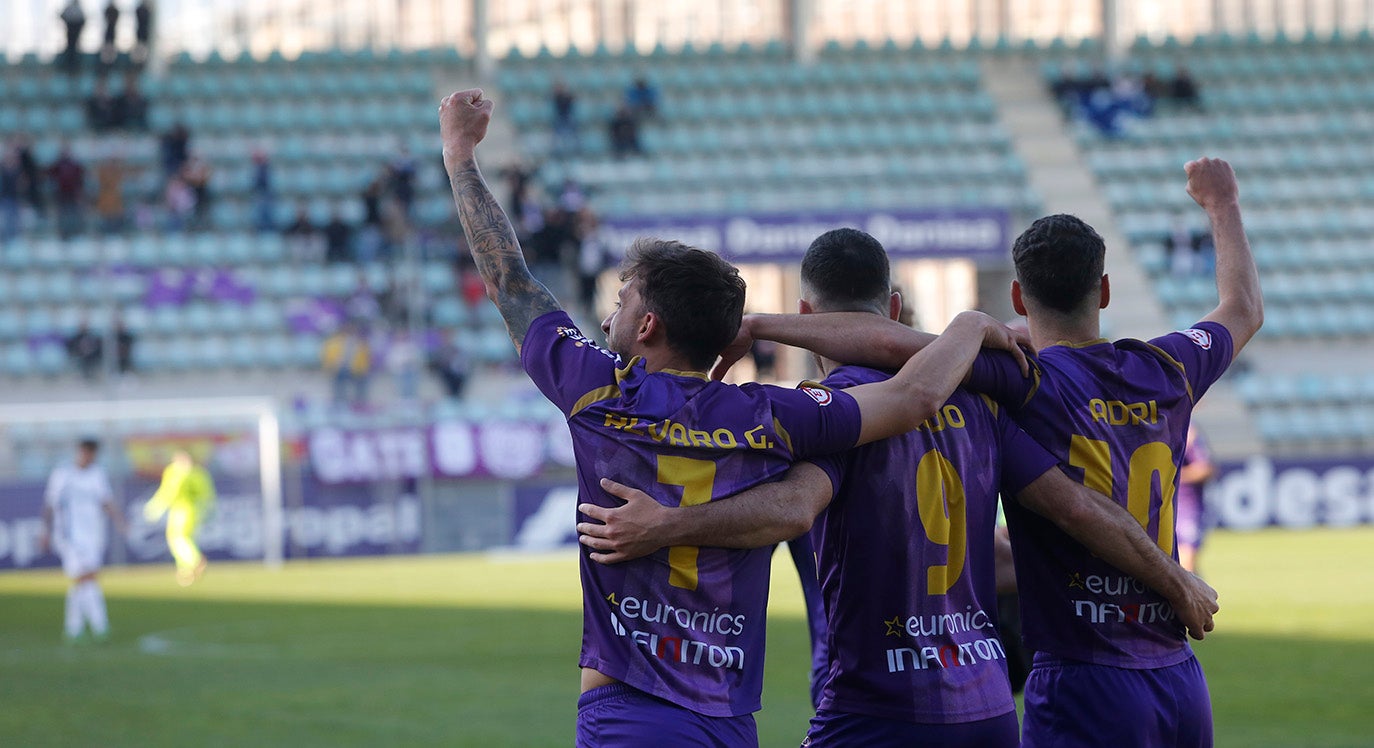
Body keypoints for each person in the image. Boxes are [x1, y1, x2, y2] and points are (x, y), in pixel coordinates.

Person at [441, 88, 1039, 746]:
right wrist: (970, 330)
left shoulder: (596, 391)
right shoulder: (772, 415)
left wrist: (460, 155)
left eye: (621, 297)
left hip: (629, 713)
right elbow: (913, 398)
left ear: (646, 325)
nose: (607, 313)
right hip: (729, 720)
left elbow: (510, 280)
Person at [579, 229, 1220, 746]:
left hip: (873, 703)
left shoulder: (832, 416)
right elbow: (1075, 507)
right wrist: (1170, 579)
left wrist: (667, 523)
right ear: (893, 306)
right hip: (988, 702)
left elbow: (795, 506)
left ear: (807, 313)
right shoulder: (981, 403)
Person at [705, 158, 1261, 747]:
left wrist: (762, 325)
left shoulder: (1024, 380)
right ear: (1103, 289)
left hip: (1079, 674)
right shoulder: (1168, 366)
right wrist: (1222, 204)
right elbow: (1243, 309)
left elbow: (893, 348)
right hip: (1174, 674)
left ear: (1019, 297)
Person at [40, 438, 125, 643]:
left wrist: (119, 521)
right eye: (86, 452)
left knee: (84, 581)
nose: (88, 457)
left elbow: (106, 501)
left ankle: (74, 629)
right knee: (86, 577)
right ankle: (99, 625)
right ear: (79, 452)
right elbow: (50, 505)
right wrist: (45, 531)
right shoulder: (63, 475)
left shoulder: (97, 474)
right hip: (70, 536)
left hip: (93, 536)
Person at [142, 450, 216, 586]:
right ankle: (186, 571)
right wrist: (207, 510)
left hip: (181, 510)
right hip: (194, 511)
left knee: (178, 538)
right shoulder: (198, 473)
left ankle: (195, 561)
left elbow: (168, 493)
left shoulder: (177, 473)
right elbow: (208, 495)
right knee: (185, 538)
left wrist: (155, 508)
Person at [1176, 424, 1215, 573]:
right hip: (1163, 508)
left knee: (1187, 566)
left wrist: (1172, 477)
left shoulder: (1189, 433)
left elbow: (1205, 469)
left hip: (1187, 508)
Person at [551, 81, 579, 155]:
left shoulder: (568, 97)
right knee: (559, 135)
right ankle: (557, 150)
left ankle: (574, 149)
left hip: (567, 117)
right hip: (560, 118)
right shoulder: (556, 97)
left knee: (570, 134)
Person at [60, 0, 86, 75]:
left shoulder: (78, 8)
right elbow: (62, 16)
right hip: (70, 34)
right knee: (70, 50)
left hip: (75, 34)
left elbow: (83, 20)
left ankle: (74, 68)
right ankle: (68, 68)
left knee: (74, 51)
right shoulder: (70, 8)